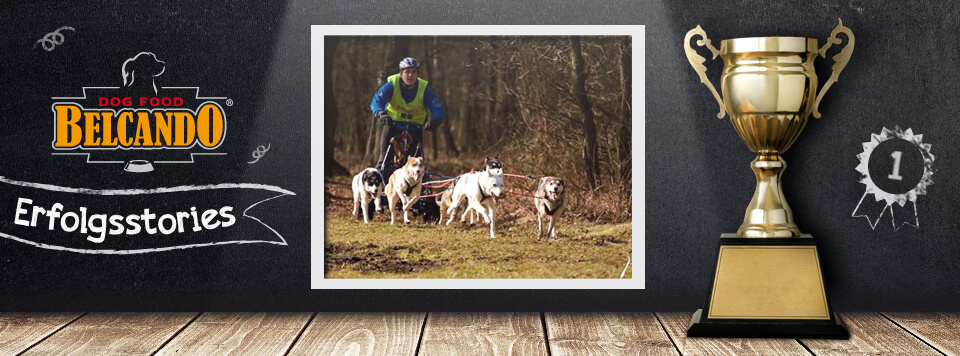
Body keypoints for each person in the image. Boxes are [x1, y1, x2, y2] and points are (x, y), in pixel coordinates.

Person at [370, 57, 445, 178]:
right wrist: (381, 113)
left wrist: (435, 121)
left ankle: (421, 190)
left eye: (414, 72)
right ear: (401, 74)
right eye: (407, 72)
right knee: (384, 159)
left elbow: (437, 108)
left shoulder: (424, 89)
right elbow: (377, 101)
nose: (410, 75)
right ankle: (377, 186)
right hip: (392, 125)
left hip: (415, 128)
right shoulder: (391, 85)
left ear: (418, 74)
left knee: (417, 163)